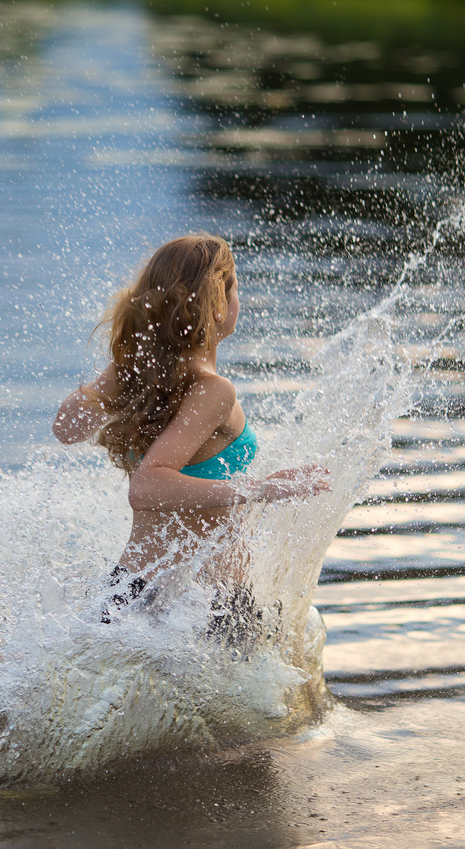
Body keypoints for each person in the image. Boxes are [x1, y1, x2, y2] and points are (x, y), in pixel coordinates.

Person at [53, 234, 330, 629]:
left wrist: (120, 369)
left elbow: (64, 427)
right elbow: (146, 488)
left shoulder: (138, 373)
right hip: (205, 606)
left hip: (127, 592)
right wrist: (261, 489)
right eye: (235, 289)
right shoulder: (213, 390)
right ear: (218, 306)